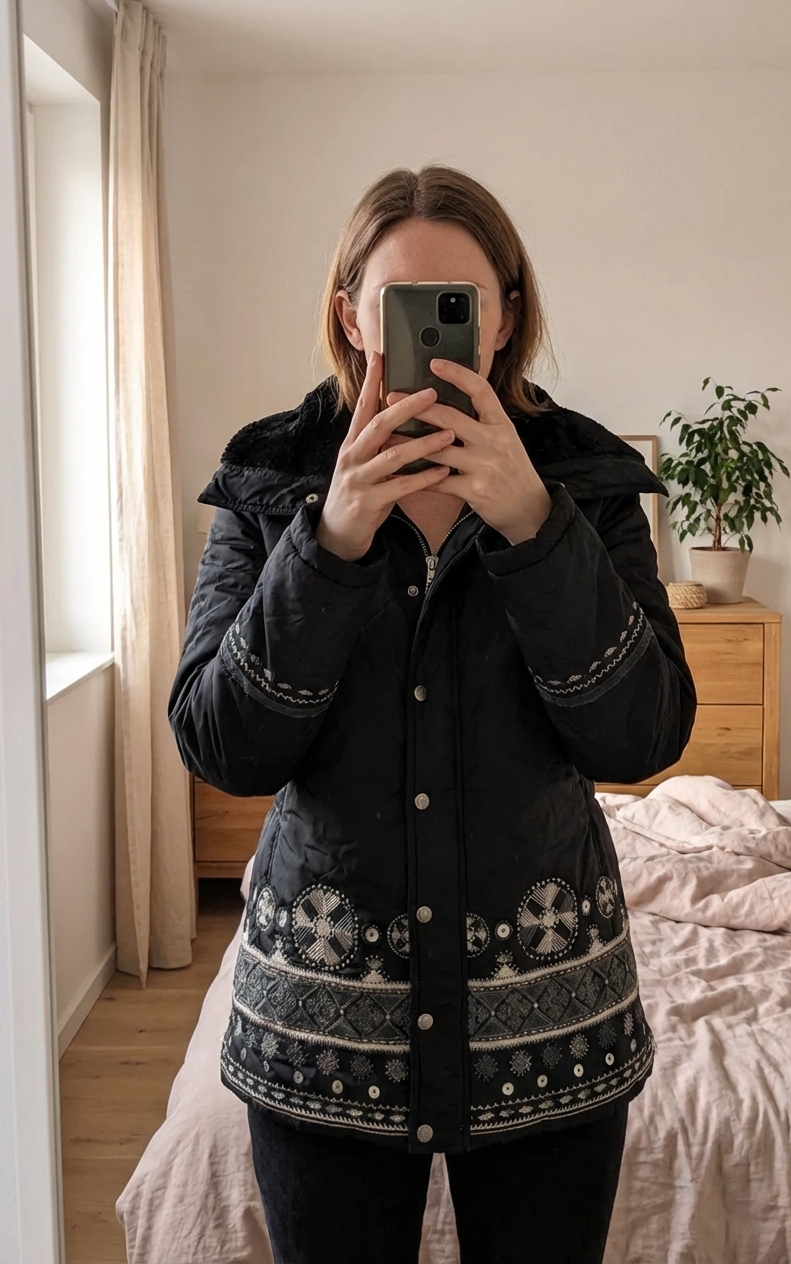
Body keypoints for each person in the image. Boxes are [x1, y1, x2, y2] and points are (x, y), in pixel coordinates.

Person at [168, 164, 697, 1264]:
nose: (434, 330)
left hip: (548, 1025)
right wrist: (329, 546)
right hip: (321, 1031)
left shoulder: (586, 480)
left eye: (459, 301)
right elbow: (223, 745)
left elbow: (640, 735)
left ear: (505, 316)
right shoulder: (269, 477)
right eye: (401, 301)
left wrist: (536, 528)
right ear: (350, 316)